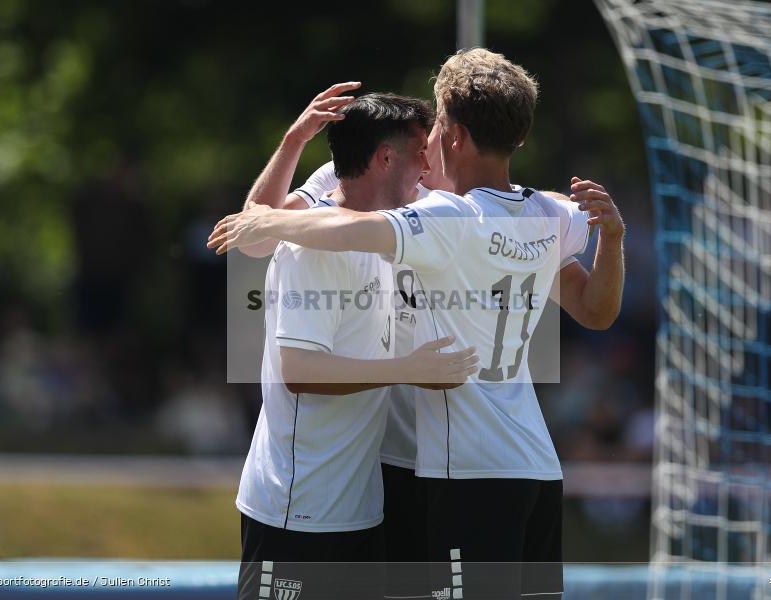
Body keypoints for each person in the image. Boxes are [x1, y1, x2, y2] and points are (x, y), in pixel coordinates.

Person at [211, 49, 625, 599]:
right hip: (447, 469)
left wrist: (278, 219)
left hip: (453, 470)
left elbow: (336, 229)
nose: (428, 142)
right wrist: (610, 240)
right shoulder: (532, 214)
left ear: (452, 135)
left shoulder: (441, 214)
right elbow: (595, 308)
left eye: (437, 122)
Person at [234, 88, 478, 600]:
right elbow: (300, 370)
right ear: (385, 158)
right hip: (296, 511)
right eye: (419, 155)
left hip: (360, 510)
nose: (429, 168)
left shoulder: (392, 226)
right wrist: (407, 368)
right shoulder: (313, 246)